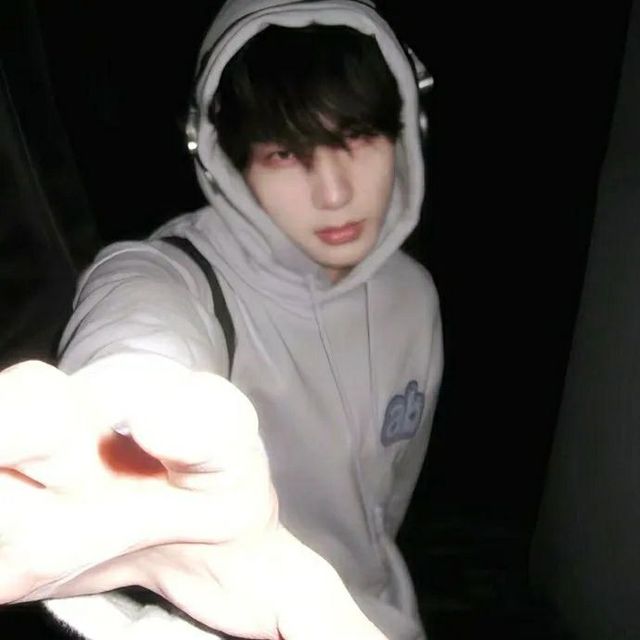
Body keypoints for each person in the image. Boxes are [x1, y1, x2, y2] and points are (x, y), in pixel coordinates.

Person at [0, 1, 442, 638]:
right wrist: (117, 414)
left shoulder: (413, 296)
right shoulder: (178, 275)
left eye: (359, 137)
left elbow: (388, 499)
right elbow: (141, 321)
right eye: (285, 154)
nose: (335, 192)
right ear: (227, 159)